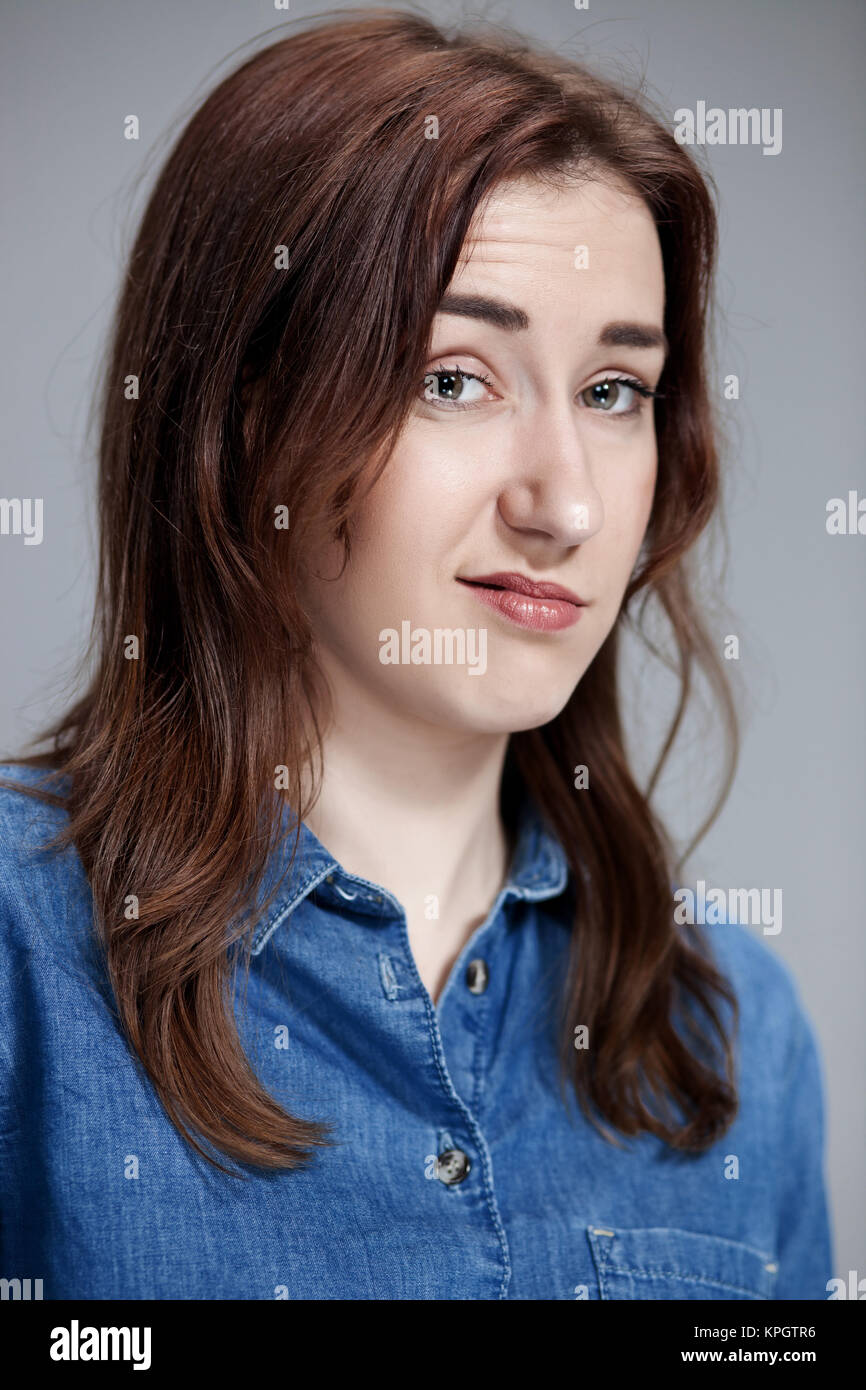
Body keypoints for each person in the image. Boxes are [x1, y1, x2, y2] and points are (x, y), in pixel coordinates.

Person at [0, 8, 832, 1300]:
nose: (561, 502)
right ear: (244, 418)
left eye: (613, 391)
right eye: (456, 377)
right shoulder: (18, 960)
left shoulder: (731, 1034)